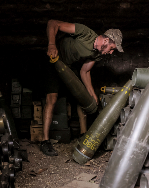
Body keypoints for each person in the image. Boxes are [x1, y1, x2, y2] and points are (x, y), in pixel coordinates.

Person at [40, 19, 124, 156]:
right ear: (106, 41)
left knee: (82, 99)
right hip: (53, 61)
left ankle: (83, 135)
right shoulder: (85, 32)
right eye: (112, 48)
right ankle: (45, 141)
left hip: (67, 67)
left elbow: (84, 71)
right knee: (52, 99)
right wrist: (51, 44)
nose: (111, 52)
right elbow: (52, 23)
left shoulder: (97, 55)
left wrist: (91, 93)